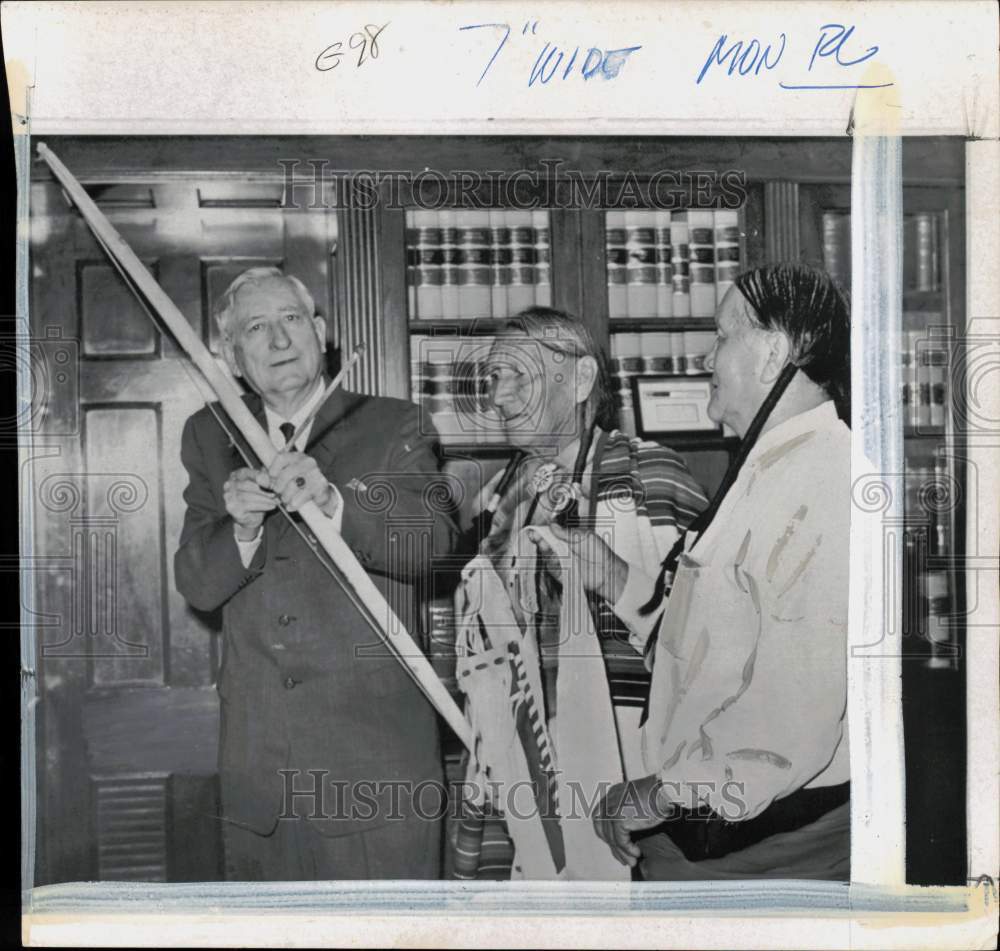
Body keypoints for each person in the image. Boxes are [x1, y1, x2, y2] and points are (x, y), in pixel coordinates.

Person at [533, 264, 852, 880]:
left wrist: (658, 795)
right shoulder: (769, 466)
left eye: (722, 336)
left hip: (761, 852)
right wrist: (613, 578)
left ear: (771, 354)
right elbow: (711, 642)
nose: (708, 356)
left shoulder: (821, 483)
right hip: (716, 832)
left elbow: (792, 716)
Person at [174, 267, 457, 881]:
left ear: (321, 332)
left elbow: (433, 546)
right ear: (231, 356)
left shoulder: (393, 424)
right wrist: (240, 527)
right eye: (256, 327)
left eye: (292, 320)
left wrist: (333, 501)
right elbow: (198, 583)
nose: (278, 341)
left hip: (375, 770)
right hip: (261, 775)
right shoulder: (209, 433)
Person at [451, 307, 707, 879]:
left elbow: (710, 643)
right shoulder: (502, 500)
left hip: (630, 780)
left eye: (521, 375)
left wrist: (614, 581)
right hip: (533, 772)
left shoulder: (651, 479)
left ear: (582, 380)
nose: (500, 395)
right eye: (493, 378)